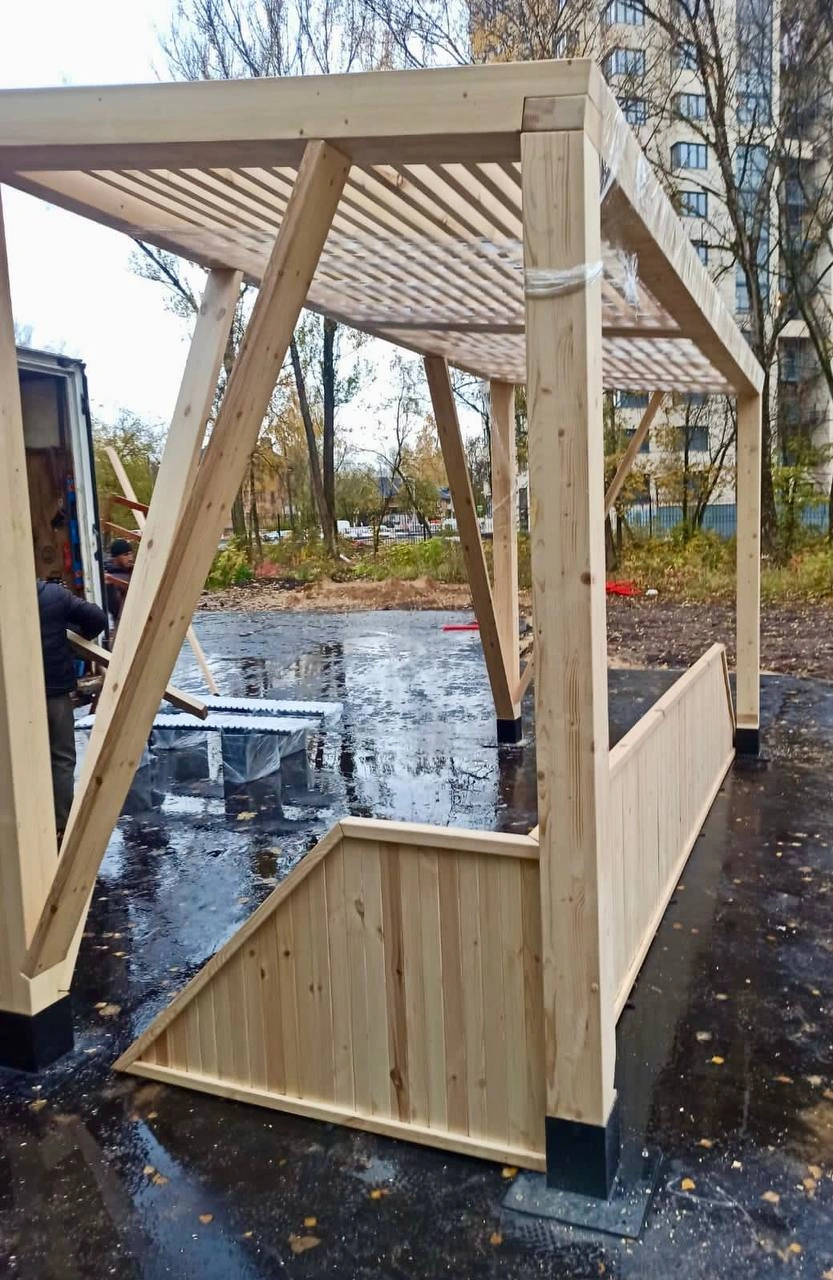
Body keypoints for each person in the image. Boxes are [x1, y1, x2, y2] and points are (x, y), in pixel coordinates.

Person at [37, 579, 107, 843]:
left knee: (19, 760)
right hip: (55, 692)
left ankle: (26, 824)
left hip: (14, 699)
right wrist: (71, 640)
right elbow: (97, 618)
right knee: (62, 757)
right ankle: (61, 825)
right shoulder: (54, 594)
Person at [104, 537, 135, 627]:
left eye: (131, 554)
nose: (130, 558)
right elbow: (116, 609)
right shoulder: (110, 578)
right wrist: (110, 587)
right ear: (115, 558)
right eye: (125, 555)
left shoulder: (133, 571)